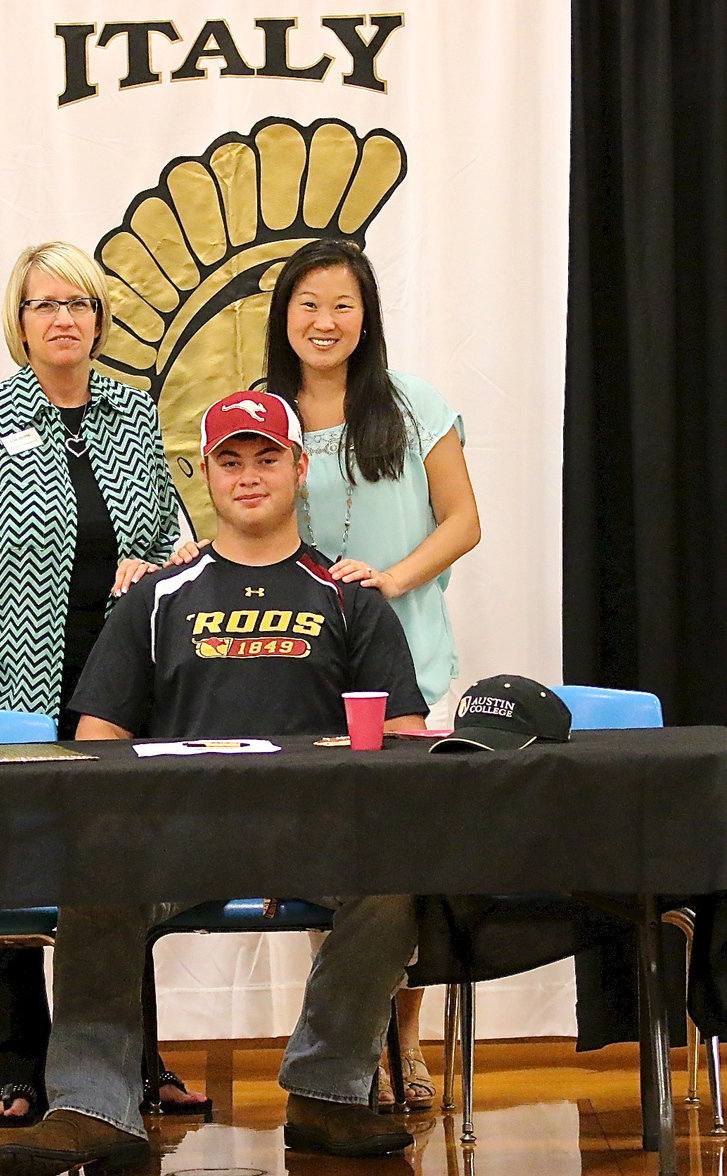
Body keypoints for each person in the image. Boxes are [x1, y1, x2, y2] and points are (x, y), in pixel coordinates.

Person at [0, 391, 429, 1176]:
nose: (248, 476)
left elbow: (402, 739)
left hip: (316, 837)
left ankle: (326, 1093)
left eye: (266, 459)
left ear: (298, 468)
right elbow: (98, 744)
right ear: (207, 476)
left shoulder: (351, 597)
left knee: (396, 875)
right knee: (95, 866)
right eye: (230, 460)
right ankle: (91, 1105)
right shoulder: (156, 597)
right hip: (177, 839)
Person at [0, 240, 205, 1125]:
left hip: (119, 695)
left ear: (99, 318)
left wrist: (151, 566)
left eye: (79, 304)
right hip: (9, 693)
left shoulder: (131, 413)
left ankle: (133, 1060)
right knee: (9, 879)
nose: (64, 319)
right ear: (20, 320)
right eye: (46, 305)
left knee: (120, 876)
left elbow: (176, 545)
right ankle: (12, 1069)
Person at [268, 237, 480, 1108]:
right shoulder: (263, 414)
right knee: (331, 867)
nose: (326, 321)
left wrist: (391, 580)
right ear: (285, 315)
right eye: (309, 303)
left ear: (368, 317)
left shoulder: (414, 403)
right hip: (306, 682)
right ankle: (348, 1042)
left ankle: (407, 1036)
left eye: (343, 304)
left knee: (410, 858)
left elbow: (462, 519)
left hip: (414, 672)